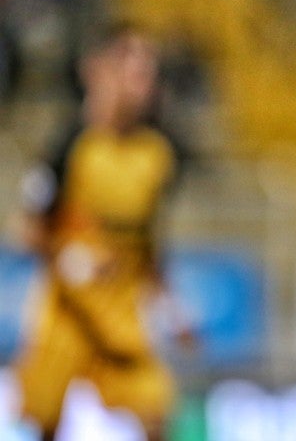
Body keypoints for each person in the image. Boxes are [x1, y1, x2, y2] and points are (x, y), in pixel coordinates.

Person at [10, 22, 191, 441]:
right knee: (45, 421)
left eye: (149, 73)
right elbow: (29, 229)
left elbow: (149, 239)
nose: (144, 84)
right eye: (134, 71)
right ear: (101, 72)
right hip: (69, 315)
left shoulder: (157, 155)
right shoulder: (70, 147)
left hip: (120, 314)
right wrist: (71, 259)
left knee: (156, 413)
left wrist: (170, 305)